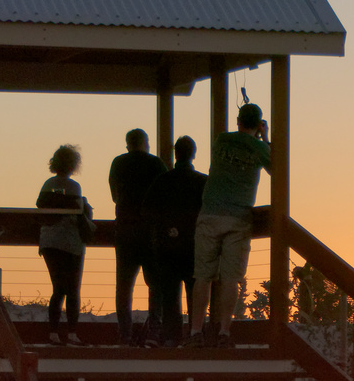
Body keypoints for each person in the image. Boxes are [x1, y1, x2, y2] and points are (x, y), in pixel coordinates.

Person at [189, 103, 271, 347]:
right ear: (258, 124)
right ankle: (224, 331)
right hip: (238, 217)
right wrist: (265, 137)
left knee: (202, 277)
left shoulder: (221, 140)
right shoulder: (259, 148)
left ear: (238, 120)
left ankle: (195, 332)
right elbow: (276, 167)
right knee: (230, 279)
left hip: (210, 213)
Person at [142, 135, 206, 345]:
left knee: (170, 295)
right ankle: (196, 333)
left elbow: (148, 210)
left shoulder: (162, 181)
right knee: (194, 292)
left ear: (175, 154)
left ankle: (171, 336)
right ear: (193, 154)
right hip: (194, 245)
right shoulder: (202, 182)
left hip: (167, 246)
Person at [107, 128, 167, 345]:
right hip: (150, 230)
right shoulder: (156, 164)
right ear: (145, 143)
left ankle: (125, 333)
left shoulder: (118, 163)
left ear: (128, 145)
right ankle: (154, 330)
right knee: (155, 283)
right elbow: (164, 194)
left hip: (125, 229)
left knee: (124, 284)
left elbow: (115, 196)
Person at [37, 144, 94, 346]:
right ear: (72, 165)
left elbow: (41, 206)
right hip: (70, 243)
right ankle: (71, 333)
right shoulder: (73, 187)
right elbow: (77, 213)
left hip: (49, 242)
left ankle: (53, 332)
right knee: (72, 289)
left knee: (57, 288)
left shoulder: (47, 185)